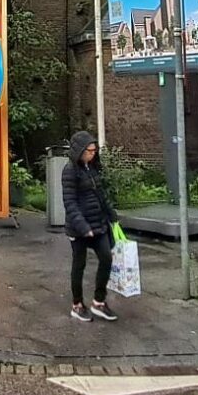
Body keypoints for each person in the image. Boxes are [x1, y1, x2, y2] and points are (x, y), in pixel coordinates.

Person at [61, 130, 119, 322]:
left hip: (99, 224)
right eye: (89, 151)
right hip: (79, 229)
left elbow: (100, 194)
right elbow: (70, 203)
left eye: (94, 151)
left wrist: (111, 214)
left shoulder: (92, 168)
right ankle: (77, 305)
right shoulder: (70, 171)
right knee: (79, 265)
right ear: (79, 151)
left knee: (106, 258)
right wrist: (83, 227)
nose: (92, 154)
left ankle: (99, 302)